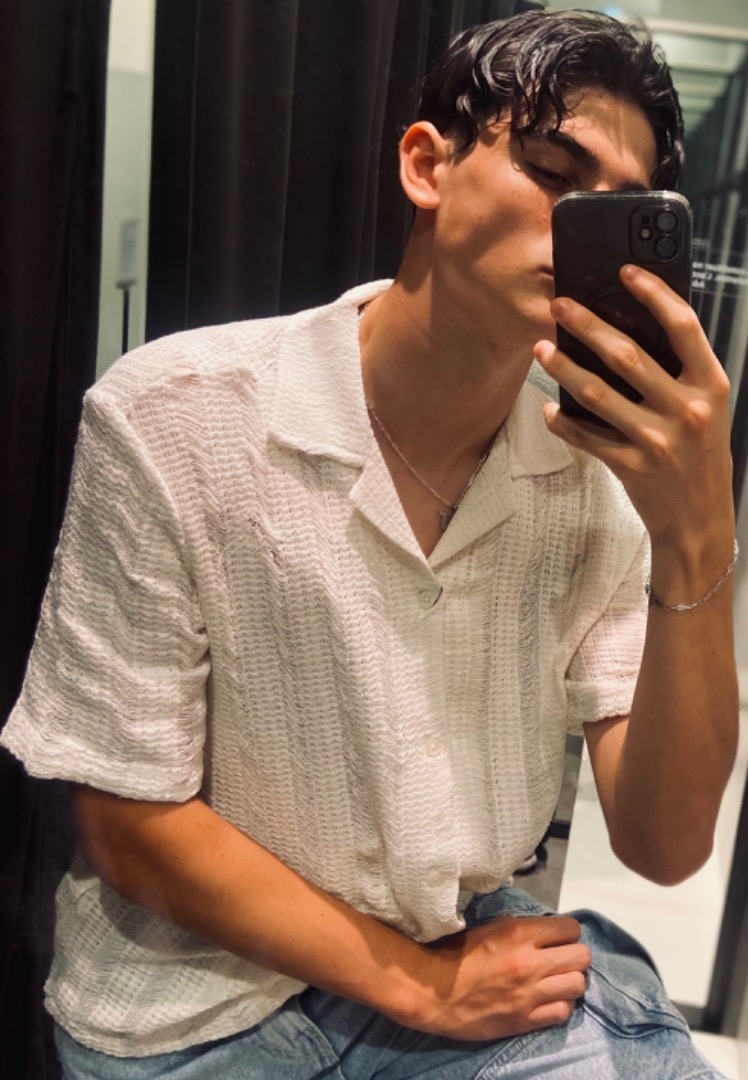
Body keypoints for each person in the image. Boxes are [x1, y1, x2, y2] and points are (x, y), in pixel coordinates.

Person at [0, 9, 739, 1079]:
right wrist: (421, 987)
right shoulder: (178, 416)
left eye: (619, 209)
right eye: (550, 171)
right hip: (191, 1009)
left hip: (449, 941)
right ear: (427, 165)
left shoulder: (591, 483)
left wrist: (696, 529)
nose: (581, 225)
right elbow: (125, 818)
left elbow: (665, 844)